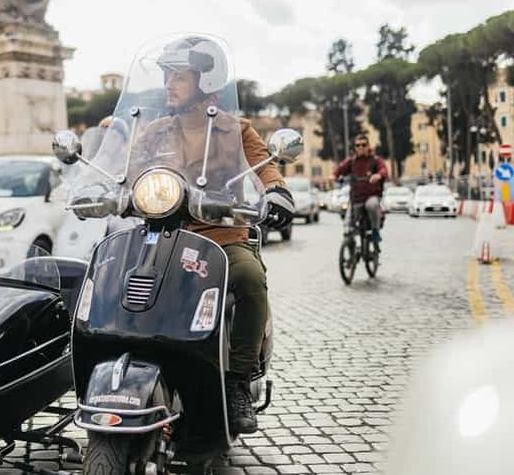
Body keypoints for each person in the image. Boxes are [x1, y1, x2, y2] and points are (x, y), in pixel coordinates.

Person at [107, 36, 295, 434]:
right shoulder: (156, 132)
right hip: (161, 237)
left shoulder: (236, 130)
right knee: (112, 274)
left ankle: (238, 381)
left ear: (205, 81)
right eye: (167, 76)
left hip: (221, 236)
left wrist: (276, 191)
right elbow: (128, 170)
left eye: (179, 76)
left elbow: (264, 167)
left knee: (248, 278)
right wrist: (109, 187)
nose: (169, 84)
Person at [331, 134, 388, 244]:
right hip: (356, 199)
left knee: (372, 205)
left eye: (363, 145)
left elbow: (383, 170)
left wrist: (379, 175)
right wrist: (333, 175)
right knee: (348, 222)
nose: (361, 147)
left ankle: (375, 230)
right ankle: (350, 247)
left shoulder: (376, 160)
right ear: (355, 147)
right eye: (358, 145)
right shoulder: (351, 161)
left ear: (368, 146)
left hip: (371, 196)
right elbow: (340, 169)